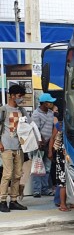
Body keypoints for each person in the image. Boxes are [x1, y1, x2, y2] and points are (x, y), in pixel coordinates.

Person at [0, 84, 30, 212]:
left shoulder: (22, 111)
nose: (21, 99)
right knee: (7, 174)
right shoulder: (3, 110)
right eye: (19, 96)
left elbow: (29, 125)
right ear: (12, 96)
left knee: (17, 174)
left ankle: (13, 200)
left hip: (19, 147)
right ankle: (2, 200)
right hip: (6, 146)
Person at [30, 92, 56, 197]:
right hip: (38, 145)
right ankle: (36, 190)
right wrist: (40, 140)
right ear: (45, 103)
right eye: (50, 102)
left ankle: (45, 188)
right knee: (37, 168)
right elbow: (35, 129)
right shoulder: (36, 114)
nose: (52, 104)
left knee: (47, 168)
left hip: (48, 143)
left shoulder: (51, 113)